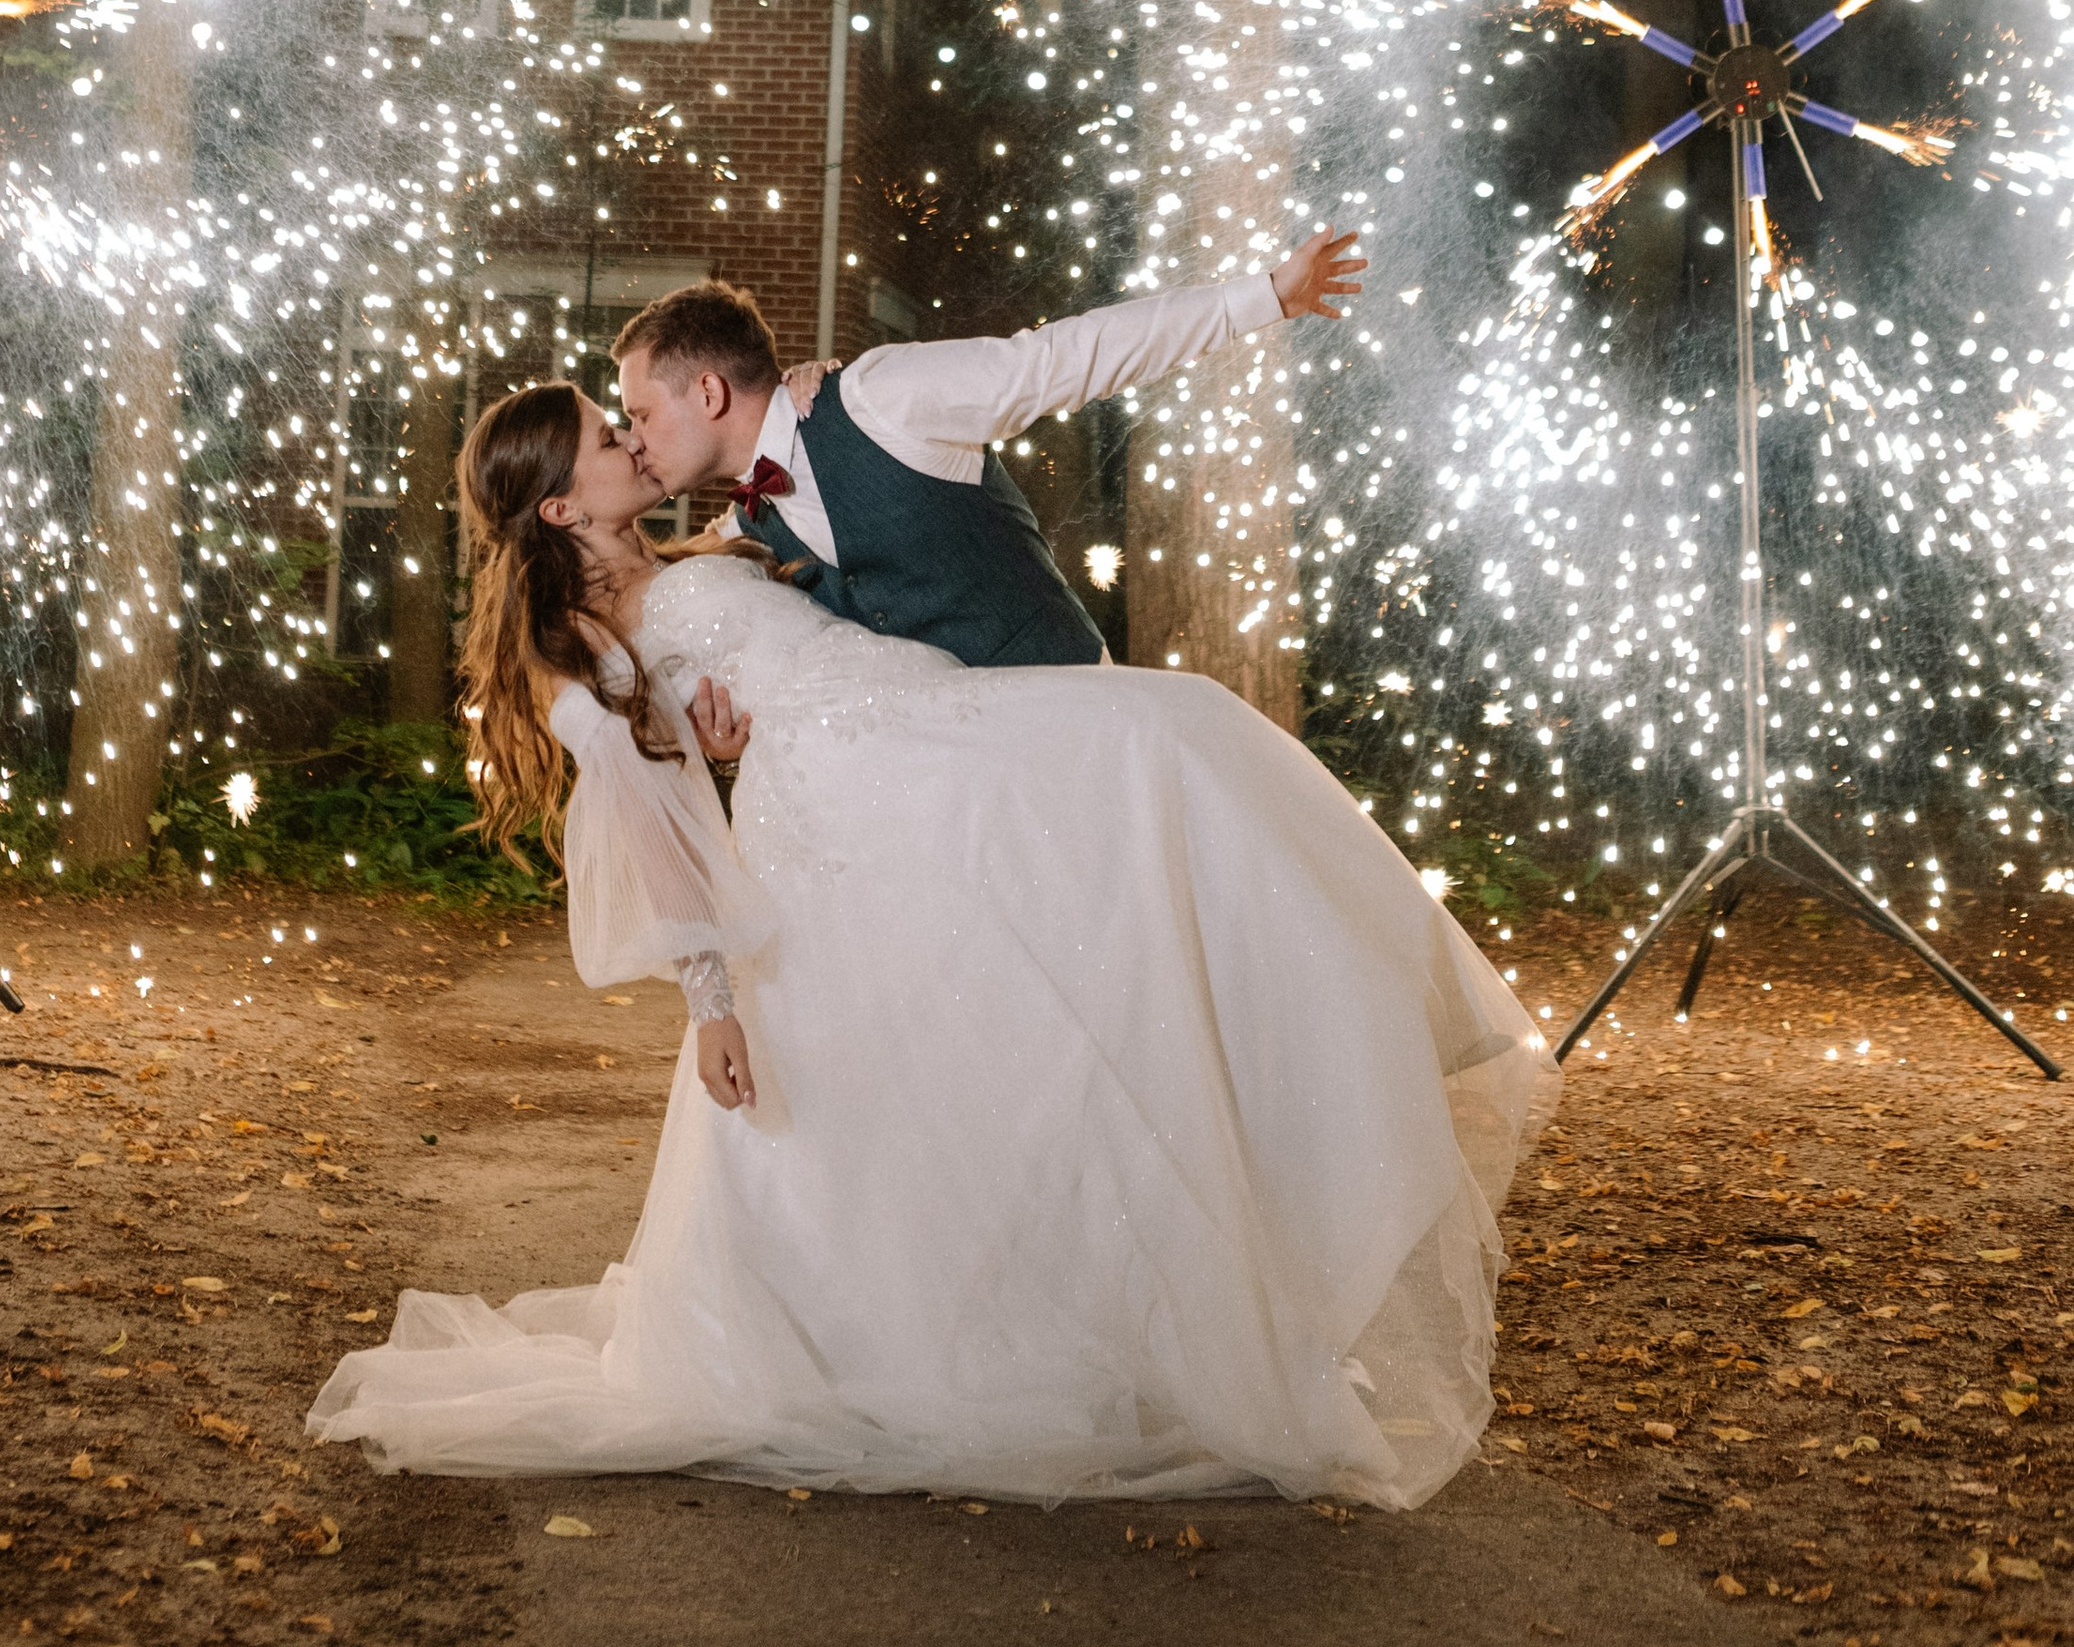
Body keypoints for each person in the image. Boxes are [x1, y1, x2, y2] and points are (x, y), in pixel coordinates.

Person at [305, 376, 1554, 1507]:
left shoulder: (701, 541)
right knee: (1156, 748)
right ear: (564, 504)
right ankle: (960, 1337)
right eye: (604, 437)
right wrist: (712, 996)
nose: (633, 441)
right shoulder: (579, 646)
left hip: (927, 742)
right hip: (866, 808)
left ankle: (1341, 1035)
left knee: (1147, 800)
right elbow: (652, 816)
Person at [611, 229, 1365, 684]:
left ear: (708, 391)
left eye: (640, 411)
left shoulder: (876, 395)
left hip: (1076, 726)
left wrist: (1265, 296)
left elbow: (1064, 358)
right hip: (959, 806)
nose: (636, 435)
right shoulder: (747, 527)